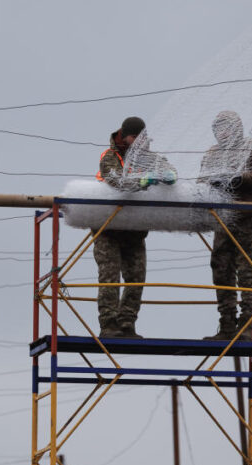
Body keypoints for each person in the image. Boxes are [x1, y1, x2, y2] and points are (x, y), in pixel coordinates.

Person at [198, 111, 252, 341]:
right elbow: (201, 179)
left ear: (236, 127)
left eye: (226, 127)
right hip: (223, 220)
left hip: (249, 218)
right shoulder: (212, 154)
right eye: (218, 128)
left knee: (247, 272)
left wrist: (240, 178)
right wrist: (213, 182)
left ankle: (246, 327)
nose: (222, 132)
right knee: (221, 270)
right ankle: (226, 325)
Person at [94, 116, 149, 339]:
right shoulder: (109, 157)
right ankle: (109, 325)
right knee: (110, 277)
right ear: (123, 135)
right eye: (133, 137)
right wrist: (143, 182)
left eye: (140, 138)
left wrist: (168, 176)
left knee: (136, 278)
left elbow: (165, 168)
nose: (137, 142)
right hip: (109, 228)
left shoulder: (147, 157)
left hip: (134, 230)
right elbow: (117, 181)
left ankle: (127, 324)